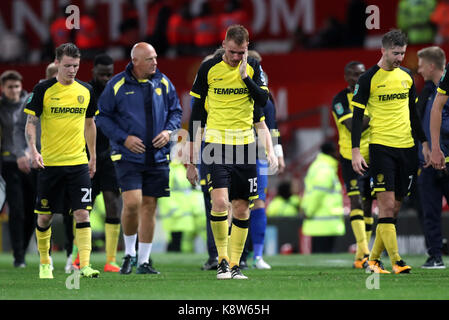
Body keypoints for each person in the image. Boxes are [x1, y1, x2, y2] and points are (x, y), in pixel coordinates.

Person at [186, 24, 278, 280]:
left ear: (248, 48)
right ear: (224, 44)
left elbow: (262, 102)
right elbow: (196, 114)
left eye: (242, 52)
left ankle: (236, 264)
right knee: (219, 203)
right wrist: (190, 157)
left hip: (246, 146)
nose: (237, 56)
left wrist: (245, 77)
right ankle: (222, 261)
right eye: (234, 51)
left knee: (241, 208)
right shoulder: (208, 69)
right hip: (215, 144)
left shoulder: (253, 69)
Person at [96, 42, 182, 275]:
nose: (155, 62)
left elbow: (176, 111)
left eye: (155, 57)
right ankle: (129, 254)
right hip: (128, 155)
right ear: (135, 61)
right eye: (150, 59)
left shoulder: (164, 83)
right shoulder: (117, 85)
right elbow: (102, 117)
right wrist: (124, 139)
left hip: (158, 155)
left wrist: (168, 131)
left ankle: (143, 261)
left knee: (149, 206)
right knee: (132, 203)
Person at [351, 30, 430, 274]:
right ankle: (397, 260)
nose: (399, 57)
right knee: (385, 207)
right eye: (395, 53)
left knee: (394, 210)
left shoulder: (407, 76)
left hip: (407, 148)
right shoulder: (367, 79)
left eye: (403, 53)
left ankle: (373, 260)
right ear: (382, 51)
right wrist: (355, 150)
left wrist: (425, 143)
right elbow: (356, 118)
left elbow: (413, 115)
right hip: (381, 148)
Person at [24, 43, 99, 279]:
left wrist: (93, 155)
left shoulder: (86, 91)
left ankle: (83, 265)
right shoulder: (43, 89)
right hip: (50, 164)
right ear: (57, 63)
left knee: (82, 214)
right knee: (45, 216)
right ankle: (45, 262)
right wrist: (34, 151)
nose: (72, 70)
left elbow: (90, 124)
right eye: (67, 65)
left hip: (77, 163)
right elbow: (31, 123)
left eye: (76, 66)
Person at [241, 50, 285, 270]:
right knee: (234, 203)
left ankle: (257, 255)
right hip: (232, 149)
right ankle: (235, 255)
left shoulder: (262, 91)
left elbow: (271, 122)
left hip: (257, 152)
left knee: (258, 202)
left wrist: (276, 151)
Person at [331, 61, 374, 269]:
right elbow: (351, 126)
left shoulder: (371, 95)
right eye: (356, 75)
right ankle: (366, 252)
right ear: (348, 78)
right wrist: (376, 115)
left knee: (368, 204)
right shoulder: (339, 100)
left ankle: (359, 255)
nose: (360, 78)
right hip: (349, 157)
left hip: (372, 155)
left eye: (363, 74)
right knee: (355, 201)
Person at [88, 53, 122, 272]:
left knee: (112, 203)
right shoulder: (85, 92)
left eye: (109, 74)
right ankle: (77, 257)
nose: (106, 78)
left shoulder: (117, 92)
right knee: (83, 207)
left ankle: (110, 260)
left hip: (109, 158)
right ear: (93, 72)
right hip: (87, 156)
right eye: (102, 74)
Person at [415, 46, 447, 269]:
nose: (418, 69)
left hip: (447, 159)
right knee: (429, 212)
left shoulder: (442, 92)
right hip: (427, 161)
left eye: (421, 64)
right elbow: (417, 123)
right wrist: (426, 147)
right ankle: (435, 255)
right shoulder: (425, 93)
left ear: (432, 65)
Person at [0, 70, 35, 268]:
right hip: (9, 163)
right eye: (9, 87)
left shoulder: (30, 104)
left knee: (32, 210)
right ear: (3, 88)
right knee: (17, 209)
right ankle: (19, 255)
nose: (13, 90)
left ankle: (22, 246)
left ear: (21, 87)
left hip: (31, 164)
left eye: (16, 86)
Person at [301, 141, 346, 253]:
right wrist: (309, 211)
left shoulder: (322, 166)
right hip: (323, 225)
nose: (338, 154)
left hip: (321, 224)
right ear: (331, 152)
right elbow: (318, 194)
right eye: (336, 151)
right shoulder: (324, 169)